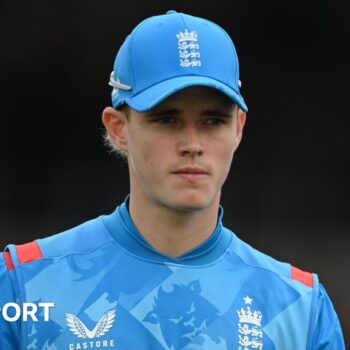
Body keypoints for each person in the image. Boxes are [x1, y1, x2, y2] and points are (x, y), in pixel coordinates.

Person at [0, 10, 345, 350]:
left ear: (238, 128)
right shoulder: (24, 285)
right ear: (118, 128)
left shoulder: (300, 308)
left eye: (213, 121)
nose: (193, 145)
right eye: (167, 119)